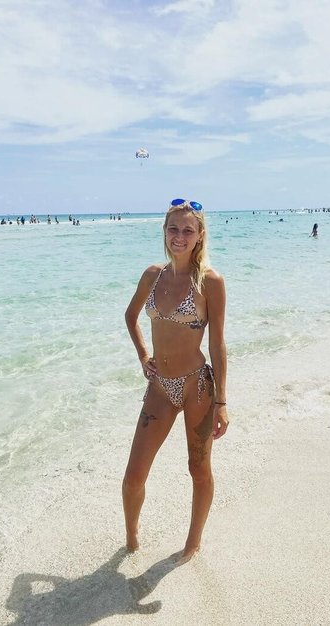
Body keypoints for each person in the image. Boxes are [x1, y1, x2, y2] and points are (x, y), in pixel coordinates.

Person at [122, 198, 229, 563]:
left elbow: (217, 344)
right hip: (159, 388)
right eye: (173, 229)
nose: (179, 236)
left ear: (200, 236)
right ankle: (131, 541)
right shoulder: (152, 275)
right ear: (164, 232)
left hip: (197, 386)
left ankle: (193, 543)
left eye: (187, 230)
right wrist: (143, 356)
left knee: (198, 468)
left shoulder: (210, 282)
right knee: (133, 477)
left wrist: (222, 402)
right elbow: (130, 316)